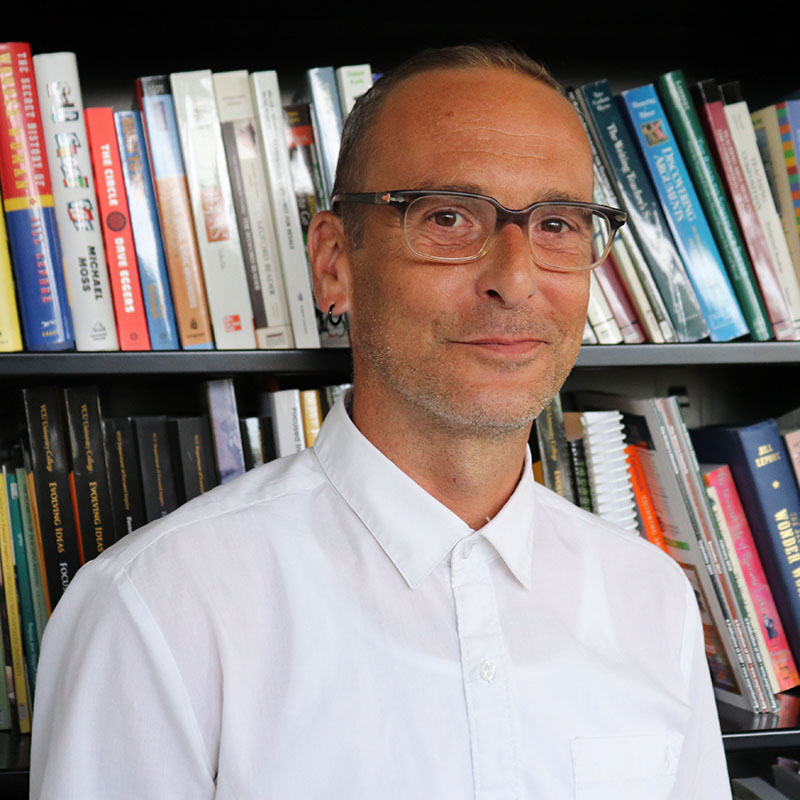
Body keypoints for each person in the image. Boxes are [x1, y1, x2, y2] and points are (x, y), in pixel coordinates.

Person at [30, 43, 732, 799]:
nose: (516, 279)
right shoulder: (157, 611)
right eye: (449, 217)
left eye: (558, 224)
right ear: (334, 261)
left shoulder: (652, 600)